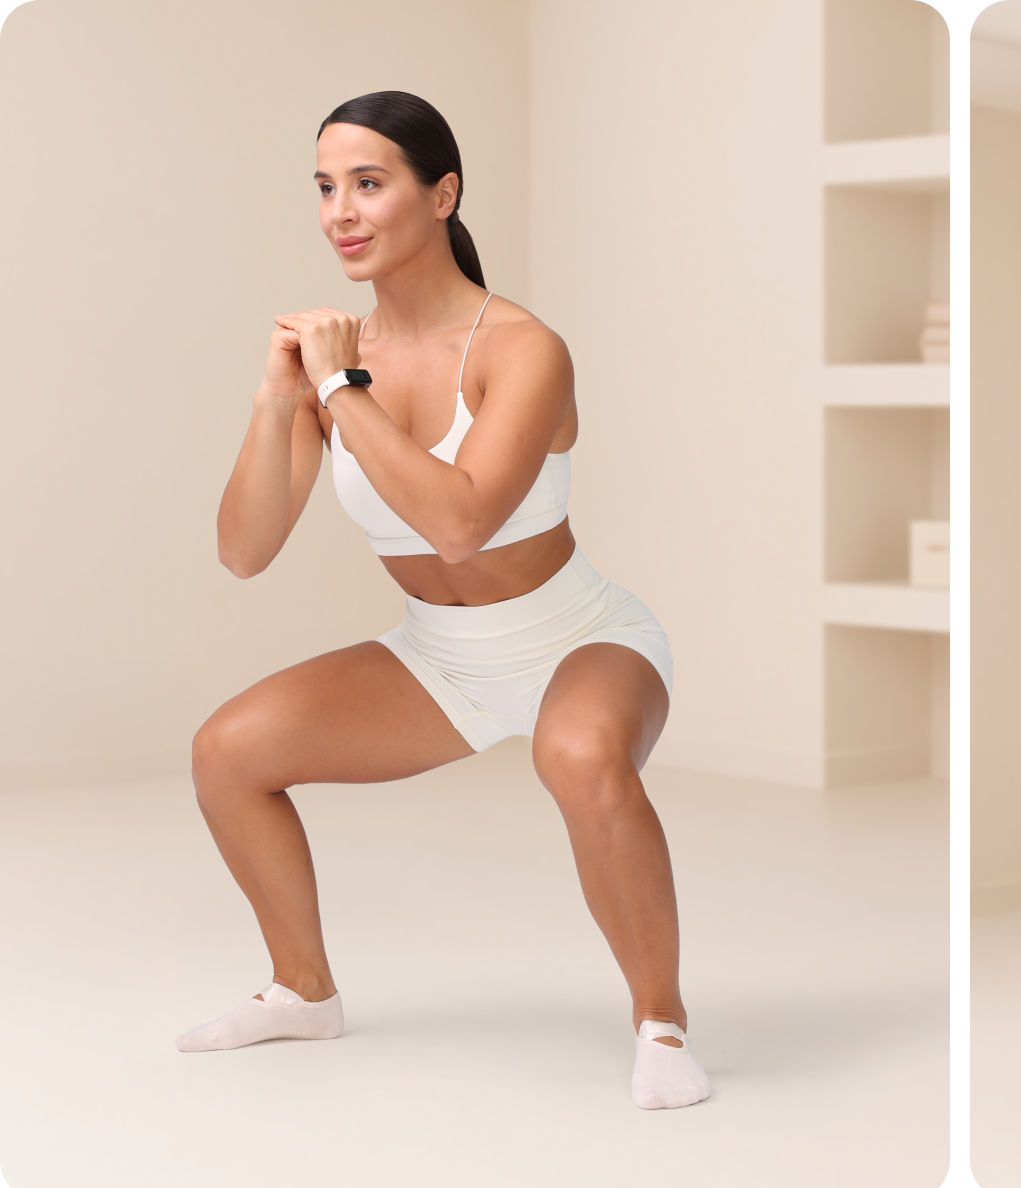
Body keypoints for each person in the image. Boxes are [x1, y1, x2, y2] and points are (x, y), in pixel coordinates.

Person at [177, 90, 708, 1110]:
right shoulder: (332, 370)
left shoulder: (523, 349)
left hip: (579, 637)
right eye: (327, 189)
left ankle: (662, 1021)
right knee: (227, 752)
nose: (342, 211)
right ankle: (304, 989)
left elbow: (460, 521)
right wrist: (275, 401)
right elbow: (243, 552)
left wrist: (342, 393)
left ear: (443, 193)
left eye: (369, 184)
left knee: (580, 755)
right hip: (440, 658)